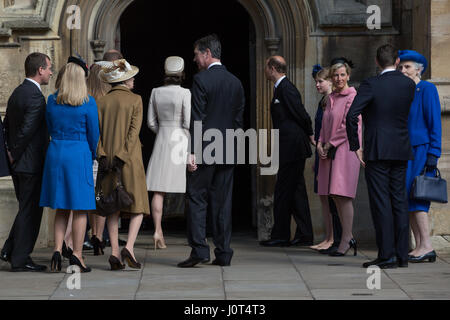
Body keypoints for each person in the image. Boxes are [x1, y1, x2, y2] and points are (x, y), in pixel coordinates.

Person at [346, 44, 416, 269]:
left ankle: (387, 255)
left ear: (377, 62)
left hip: (377, 149)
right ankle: (402, 255)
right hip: (401, 148)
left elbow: (351, 115)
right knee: (398, 200)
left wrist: (356, 145)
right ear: (397, 61)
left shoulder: (371, 84)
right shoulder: (408, 84)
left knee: (381, 202)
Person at [178, 34, 245, 268]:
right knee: (223, 203)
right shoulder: (236, 82)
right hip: (228, 149)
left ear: (207, 53)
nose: (194, 59)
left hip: (205, 149)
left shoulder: (201, 80)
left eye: (196, 54)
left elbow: (198, 118)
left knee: (197, 198)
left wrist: (193, 152)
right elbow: (238, 122)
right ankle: (224, 253)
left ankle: (199, 250)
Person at [40, 56, 99, 273]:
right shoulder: (88, 102)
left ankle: (57, 250)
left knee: (61, 207)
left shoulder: (52, 101)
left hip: (56, 152)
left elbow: (49, 126)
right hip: (79, 153)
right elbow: (94, 135)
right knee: (81, 208)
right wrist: (93, 154)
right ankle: (77, 255)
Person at [0, 52, 52, 271]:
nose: (51, 72)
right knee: (30, 211)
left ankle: (9, 250)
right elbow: (27, 130)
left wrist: (11, 152)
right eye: (49, 68)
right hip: (29, 163)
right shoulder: (35, 96)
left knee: (25, 209)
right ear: (40, 70)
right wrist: (14, 152)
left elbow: (6, 125)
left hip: (20, 164)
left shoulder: (18, 92)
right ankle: (20, 259)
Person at [97, 59, 150, 270]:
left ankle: (115, 253)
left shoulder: (100, 102)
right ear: (124, 79)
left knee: (112, 206)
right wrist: (123, 156)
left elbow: (97, 135)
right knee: (139, 205)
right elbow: (133, 133)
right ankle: (129, 246)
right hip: (130, 159)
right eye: (131, 76)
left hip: (107, 160)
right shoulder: (136, 100)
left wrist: (104, 154)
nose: (134, 79)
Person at [259, 55, 315, 248]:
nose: (264, 70)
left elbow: (302, 114)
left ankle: (281, 235)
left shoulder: (286, 88)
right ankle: (305, 234)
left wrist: (310, 134)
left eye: (266, 67)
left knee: (283, 191)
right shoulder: (280, 88)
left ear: (273, 68)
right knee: (296, 191)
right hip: (289, 147)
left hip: (292, 148)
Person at [398, 50, 442, 263]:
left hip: (422, 150)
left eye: (407, 66)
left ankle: (427, 246)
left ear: (419, 69)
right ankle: (419, 246)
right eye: (401, 67)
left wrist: (434, 153)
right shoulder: (405, 90)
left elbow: (435, 122)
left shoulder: (427, 88)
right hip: (406, 151)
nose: (403, 70)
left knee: (418, 197)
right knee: (408, 197)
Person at [317, 59, 362, 257]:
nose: (339, 78)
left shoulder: (353, 96)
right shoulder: (331, 98)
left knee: (343, 194)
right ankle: (346, 237)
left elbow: (347, 125)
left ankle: (346, 238)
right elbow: (326, 123)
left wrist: (330, 143)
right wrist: (319, 143)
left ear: (348, 76)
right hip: (329, 151)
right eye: (335, 75)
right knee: (334, 195)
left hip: (345, 151)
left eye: (343, 75)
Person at [146, 56, 191, 250]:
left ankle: (157, 230)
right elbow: (188, 123)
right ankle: (194, 233)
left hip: (162, 140)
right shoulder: (185, 93)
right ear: (181, 74)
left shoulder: (155, 92)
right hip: (180, 140)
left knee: (158, 189)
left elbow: (150, 122)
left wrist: (163, 131)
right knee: (190, 188)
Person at [310, 65, 342, 254]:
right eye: (316, 81)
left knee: (331, 198)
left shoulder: (332, 101)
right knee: (323, 197)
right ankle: (329, 237)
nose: (317, 84)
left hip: (329, 151)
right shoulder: (323, 101)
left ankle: (333, 238)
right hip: (321, 151)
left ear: (330, 81)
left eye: (320, 81)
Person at [86, 63, 111, 256]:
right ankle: (98, 236)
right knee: (101, 197)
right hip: (102, 153)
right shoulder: (106, 100)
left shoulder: (85, 98)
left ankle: (92, 233)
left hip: (87, 153)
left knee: (90, 197)